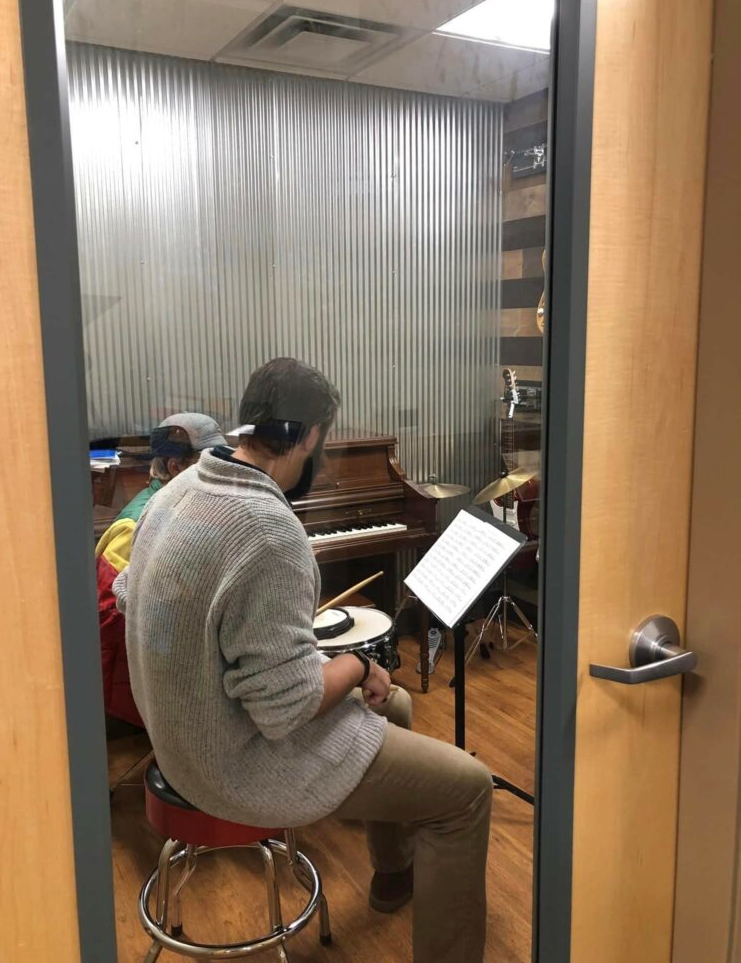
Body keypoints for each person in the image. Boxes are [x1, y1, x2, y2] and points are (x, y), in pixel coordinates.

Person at [121, 360, 493, 963]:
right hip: (232, 763)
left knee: (393, 703)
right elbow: (286, 709)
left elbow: (131, 592)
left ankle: (393, 875)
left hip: (178, 738)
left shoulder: (179, 489)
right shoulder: (269, 529)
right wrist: (354, 664)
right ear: (314, 436)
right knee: (468, 790)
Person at [96, 413, 227, 729]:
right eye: (209, 463)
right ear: (175, 467)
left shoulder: (182, 503)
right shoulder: (133, 525)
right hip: (139, 686)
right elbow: (111, 617)